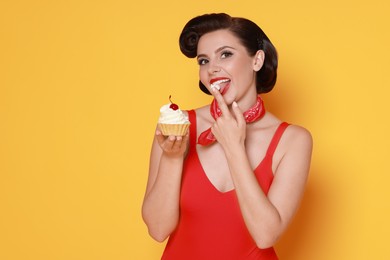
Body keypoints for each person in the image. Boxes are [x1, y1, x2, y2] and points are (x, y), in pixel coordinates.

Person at [142, 13, 313, 259]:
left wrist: (234, 147)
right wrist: (172, 157)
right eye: (203, 60)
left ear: (257, 61)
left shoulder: (293, 140)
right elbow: (158, 230)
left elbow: (265, 235)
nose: (212, 68)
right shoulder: (178, 126)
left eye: (226, 54)